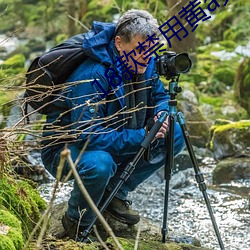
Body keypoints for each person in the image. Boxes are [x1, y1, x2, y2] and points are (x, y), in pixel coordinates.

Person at [41, 9, 185, 241]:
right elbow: (87, 135)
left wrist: (161, 114)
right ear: (119, 43)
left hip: (117, 136)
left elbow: (159, 96)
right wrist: (142, 136)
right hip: (67, 150)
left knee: (175, 132)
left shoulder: (144, 61)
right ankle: (76, 221)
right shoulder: (93, 75)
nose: (146, 57)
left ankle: (115, 193)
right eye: (140, 49)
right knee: (100, 164)